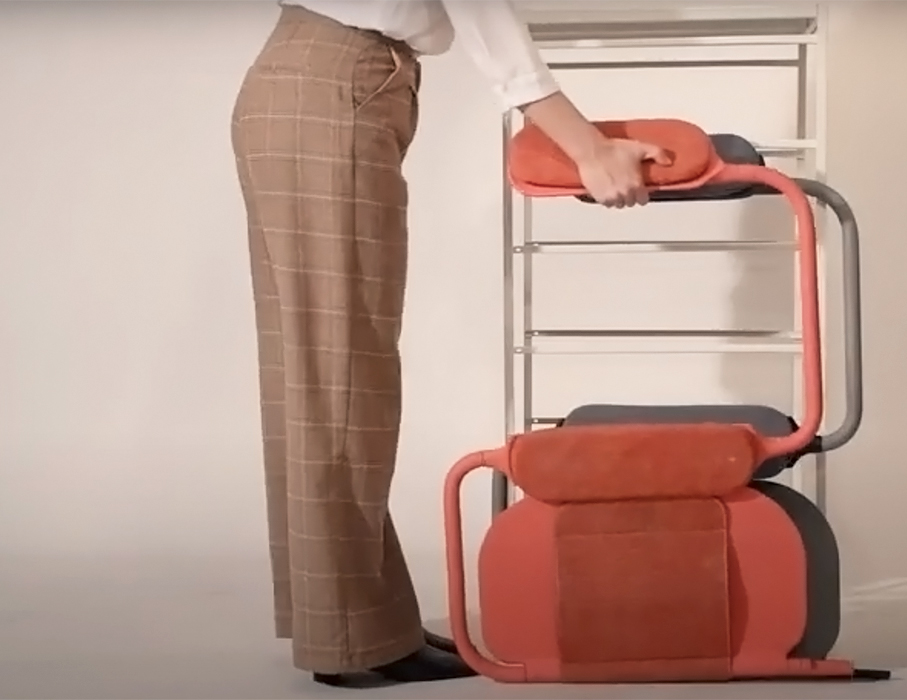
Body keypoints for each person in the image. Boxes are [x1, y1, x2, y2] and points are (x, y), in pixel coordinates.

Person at [230, 0, 667, 687]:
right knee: (341, 373)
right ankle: (351, 638)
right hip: (333, 77)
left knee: (312, 367)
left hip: (301, 74)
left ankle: (344, 618)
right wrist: (587, 147)